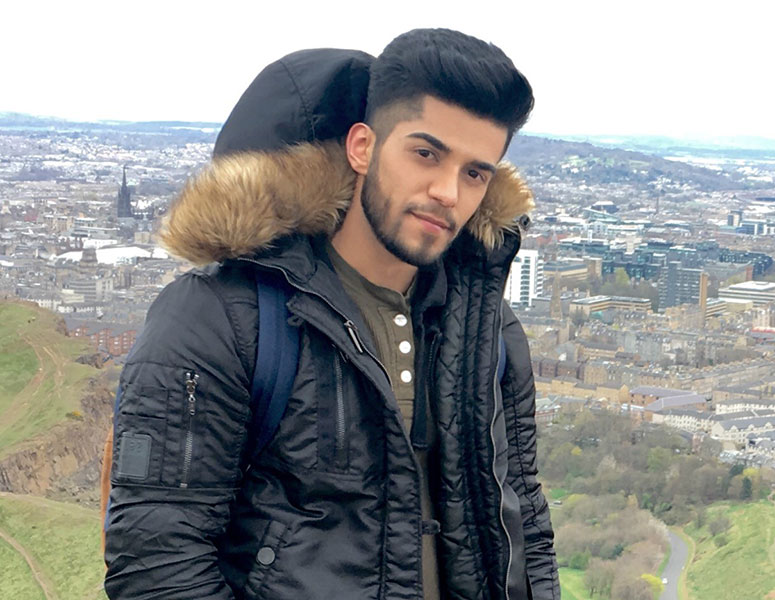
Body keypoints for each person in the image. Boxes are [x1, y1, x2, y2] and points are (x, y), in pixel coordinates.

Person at [104, 28, 558, 600]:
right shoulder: (221, 317)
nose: (448, 192)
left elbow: (524, 525)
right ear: (362, 147)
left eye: (475, 173)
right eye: (426, 154)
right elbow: (158, 565)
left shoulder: (486, 327)